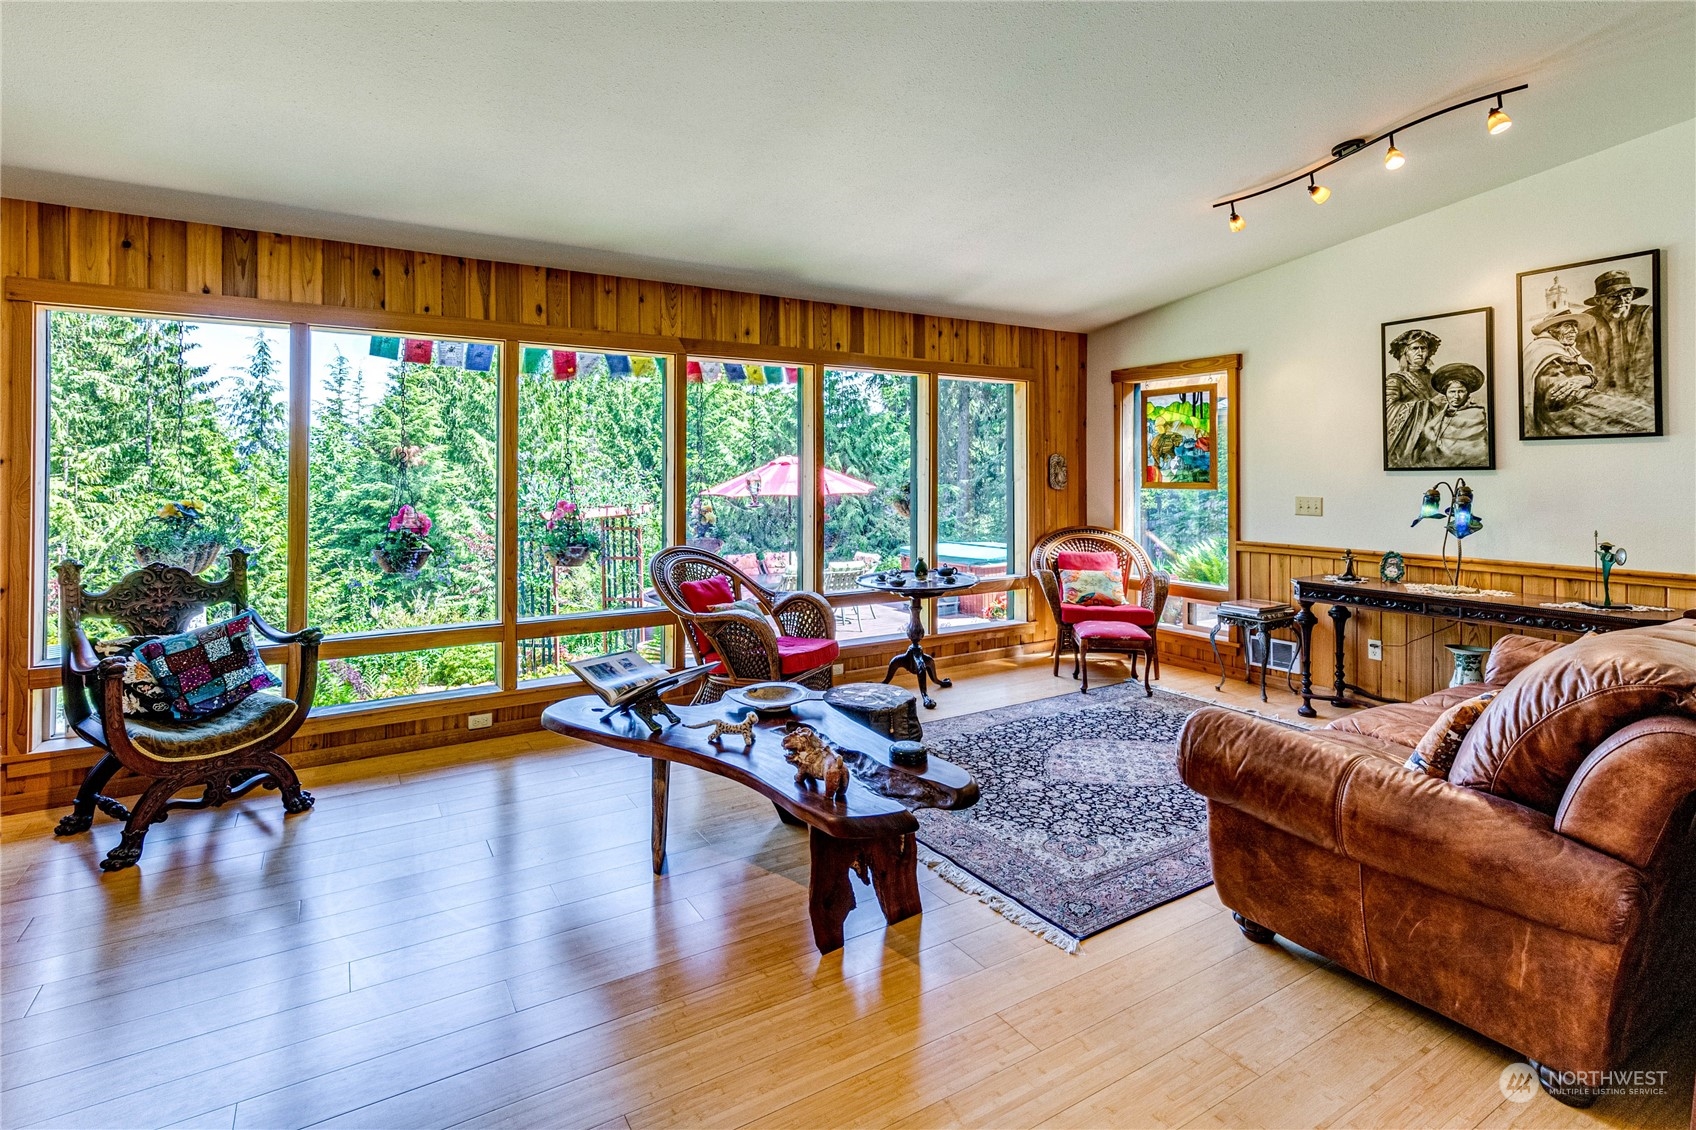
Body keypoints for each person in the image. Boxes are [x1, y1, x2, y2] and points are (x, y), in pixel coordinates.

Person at [1522, 307, 1608, 437]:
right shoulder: (1544, 351)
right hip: (1560, 418)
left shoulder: (1567, 350)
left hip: (1579, 407)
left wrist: (1586, 379)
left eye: (1575, 326)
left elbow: (1587, 375)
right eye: (1568, 326)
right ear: (1552, 329)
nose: (1574, 330)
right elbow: (1555, 398)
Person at [1574, 269, 1655, 396]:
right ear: (1598, 301)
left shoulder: (1648, 316)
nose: (1622, 300)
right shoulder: (1587, 321)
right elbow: (1583, 363)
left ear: (1633, 295)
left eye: (1627, 294)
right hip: (1601, 394)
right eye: (1613, 296)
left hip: (1645, 394)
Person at [1384, 328, 1442, 468]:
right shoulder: (1395, 380)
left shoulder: (1436, 380)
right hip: (1411, 444)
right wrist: (1430, 404)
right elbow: (1388, 411)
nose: (1420, 352)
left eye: (1424, 348)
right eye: (1415, 348)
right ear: (1405, 353)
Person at [1414, 363, 1489, 467]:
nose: (1456, 396)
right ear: (1446, 394)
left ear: (1468, 393)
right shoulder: (1438, 418)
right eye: (1452, 392)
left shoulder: (1477, 416)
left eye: (1461, 391)